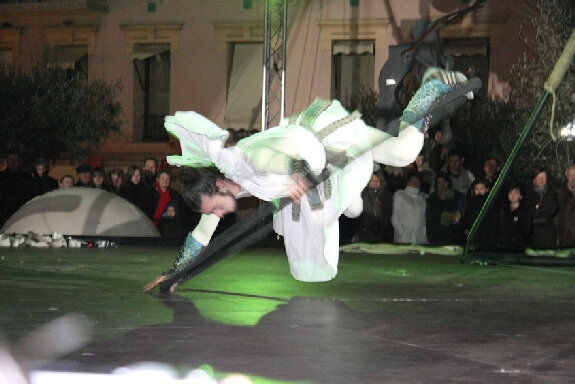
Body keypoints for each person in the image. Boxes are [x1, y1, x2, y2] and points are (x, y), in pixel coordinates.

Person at [143, 66, 473, 292]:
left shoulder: (243, 161)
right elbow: (202, 232)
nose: (218, 215)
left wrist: (295, 170)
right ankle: (349, 197)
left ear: (220, 186)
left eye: (214, 207)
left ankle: (429, 90)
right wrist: (177, 273)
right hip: (322, 166)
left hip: (329, 139)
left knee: (402, 154)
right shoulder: (229, 186)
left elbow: (274, 155)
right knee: (352, 210)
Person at [425, 171, 466, 245]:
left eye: (445, 182)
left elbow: (462, 208)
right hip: (436, 238)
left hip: (453, 239)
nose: (442, 185)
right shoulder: (433, 198)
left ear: (448, 183)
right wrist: (448, 217)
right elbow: (431, 215)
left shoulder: (457, 197)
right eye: (439, 182)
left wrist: (458, 214)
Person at [524, 166, 558, 249]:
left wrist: (537, 207)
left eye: (544, 178)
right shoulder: (527, 194)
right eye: (539, 178)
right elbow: (528, 211)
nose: (541, 180)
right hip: (533, 235)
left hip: (549, 236)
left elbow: (552, 210)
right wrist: (540, 208)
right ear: (534, 179)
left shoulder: (552, 193)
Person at [354, 171, 393, 243]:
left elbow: (388, 212)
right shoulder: (363, 193)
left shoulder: (386, 194)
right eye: (373, 180)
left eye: (378, 180)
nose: (375, 183)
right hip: (365, 230)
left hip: (381, 231)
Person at [391, 171, 427, 244]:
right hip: (403, 239)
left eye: (417, 181)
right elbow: (395, 217)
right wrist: (402, 232)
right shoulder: (400, 195)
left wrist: (424, 232)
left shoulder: (424, 198)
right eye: (413, 181)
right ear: (408, 182)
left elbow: (425, 217)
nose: (415, 183)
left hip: (420, 239)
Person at [461, 178, 496, 250]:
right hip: (473, 239)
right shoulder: (471, 203)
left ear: (487, 190)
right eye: (477, 189)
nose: (479, 191)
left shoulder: (490, 204)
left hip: (486, 239)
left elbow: (493, 222)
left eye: (481, 188)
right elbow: (467, 218)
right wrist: (466, 228)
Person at [0, 152, 33, 226]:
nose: (13, 162)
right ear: (7, 161)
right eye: (10, 160)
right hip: (3, 214)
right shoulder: (1, 177)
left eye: (15, 160)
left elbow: (30, 196)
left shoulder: (26, 177)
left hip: (21, 213)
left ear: (19, 161)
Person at [496, 184, 532, 252]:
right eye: (510, 193)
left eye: (516, 193)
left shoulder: (525, 211)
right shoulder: (503, 210)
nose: (513, 195)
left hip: (518, 246)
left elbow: (526, 230)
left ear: (520, 196)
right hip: (503, 246)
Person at [556, 164, 575, 247]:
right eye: (571, 176)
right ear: (567, 177)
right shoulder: (559, 194)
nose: (574, 179)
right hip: (565, 241)